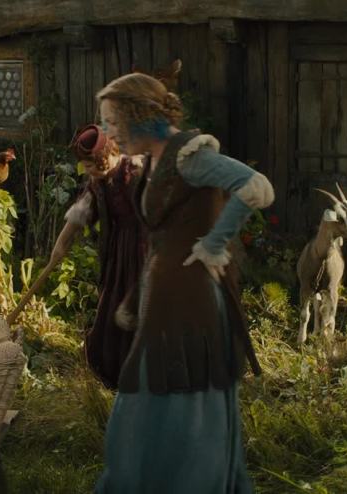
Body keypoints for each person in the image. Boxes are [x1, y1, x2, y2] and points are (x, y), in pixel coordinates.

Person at [94, 73, 274, 493]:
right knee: (147, 401)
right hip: (165, 300)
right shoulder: (156, 160)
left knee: (186, 403)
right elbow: (163, 239)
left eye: (113, 121)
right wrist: (135, 298)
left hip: (192, 304)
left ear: (139, 115)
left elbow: (256, 186)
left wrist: (214, 243)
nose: (107, 132)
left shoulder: (190, 157)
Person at [45, 124, 145, 389]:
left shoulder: (134, 170)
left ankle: (148, 372)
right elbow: (77, 217)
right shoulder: (97, 185)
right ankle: (116, 370)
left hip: (146, 248)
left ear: (107, 156)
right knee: (113, 304)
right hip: (119, 251)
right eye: (85, 166)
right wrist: (59, 249)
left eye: (91, 165)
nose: (88, 170)